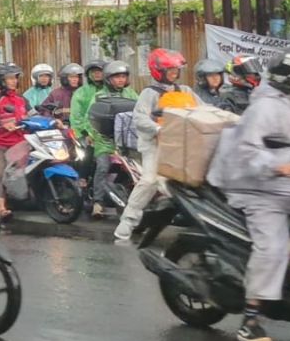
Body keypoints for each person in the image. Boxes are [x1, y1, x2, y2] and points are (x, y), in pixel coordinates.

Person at [208, 47, 290, 341]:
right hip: (258, 190)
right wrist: (279, 166)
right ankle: (251, 319)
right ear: (289, 76)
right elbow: (245, 152)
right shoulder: (263, 109)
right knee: (274, 247)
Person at [113, 49, 199, 245]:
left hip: (182, 146)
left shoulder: (185, 91)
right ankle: (126, 225)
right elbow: (140, 119)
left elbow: (202, 110)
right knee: (150, 181)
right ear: (158, 71)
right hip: (154, 146)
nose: (174, 73)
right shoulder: (149, 93)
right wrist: (158, 129)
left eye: (176, 70)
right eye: (170, 70)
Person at [85, 61, 138, 218]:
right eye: (117, 77)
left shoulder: (131, 94)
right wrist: (91, 134)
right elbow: (90, 118)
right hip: (105, 141)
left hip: (128, 141)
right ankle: (98, 203)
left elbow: (142, 112)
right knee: (102, 167)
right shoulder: (99, 96)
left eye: (123, 76)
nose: (121, 80)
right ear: (108, 79)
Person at [0, 63, 28, 217]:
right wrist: (3, 124)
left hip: (23, 143)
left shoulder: (22, 99)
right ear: (1, 81)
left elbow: (35, 114)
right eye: (10, 78)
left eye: (15, 77)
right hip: (2, 144)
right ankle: (1, 207)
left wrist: (53, 120)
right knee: (1, 172)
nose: (14, 81)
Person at [70, 59, 107, 138]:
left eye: (99, 71)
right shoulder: (81, 92)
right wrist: (84, 134)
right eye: (93, 71)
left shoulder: (111, 90)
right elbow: (76, 116)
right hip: (87, 135)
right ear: (88, 74)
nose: (97, 73)